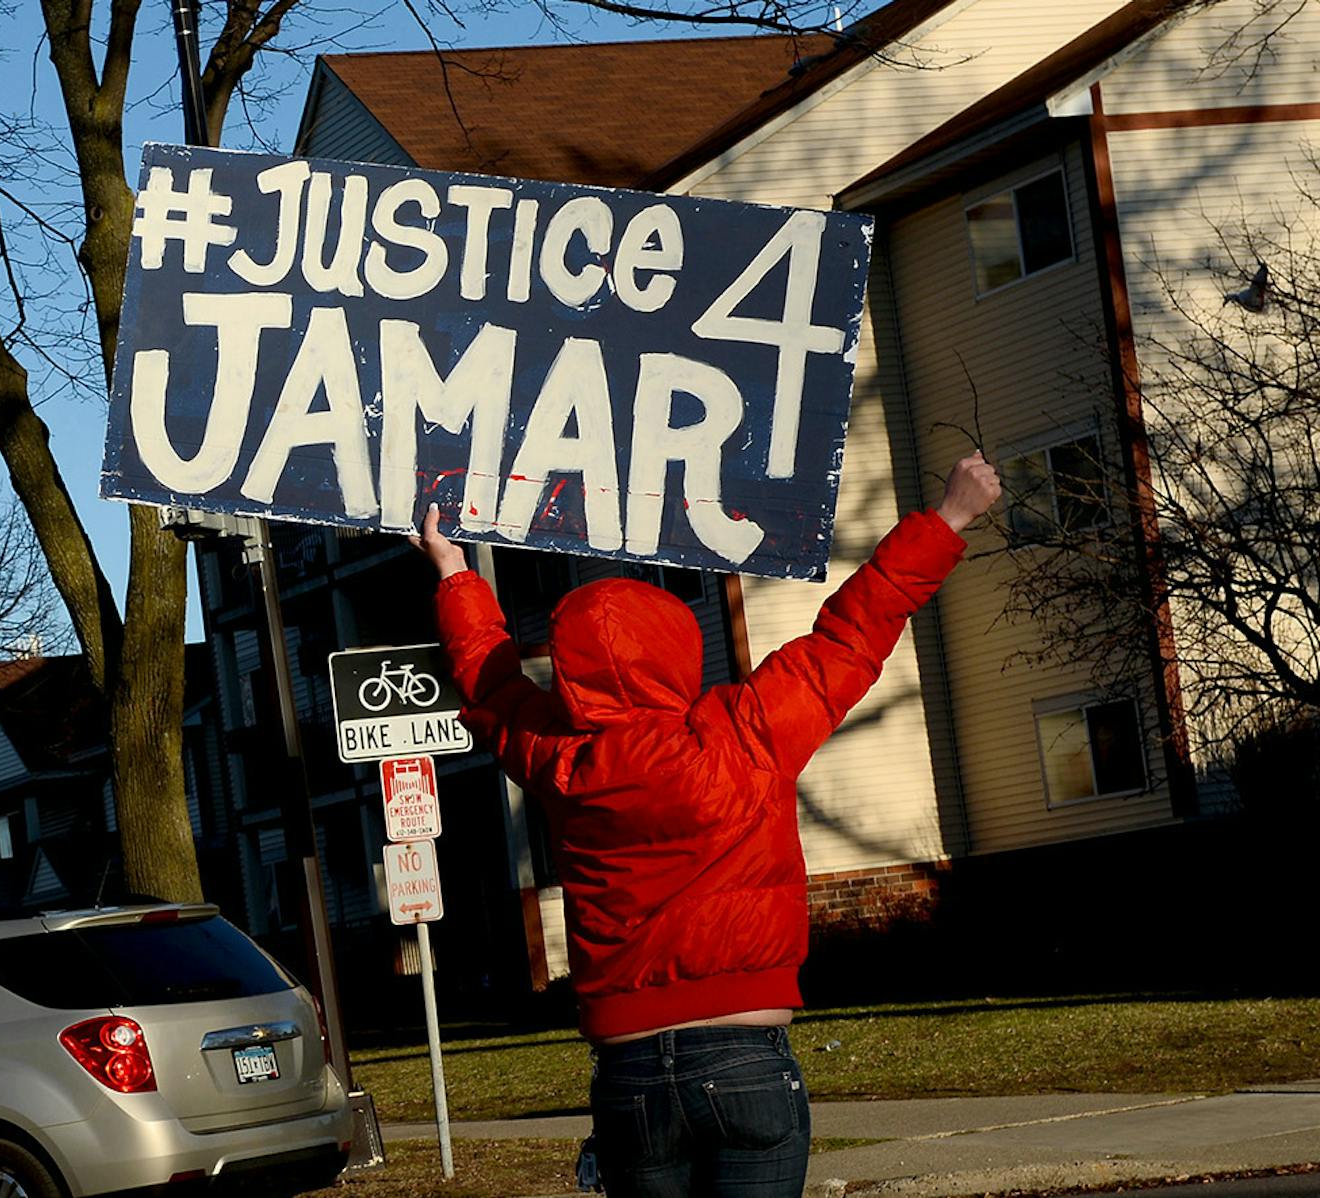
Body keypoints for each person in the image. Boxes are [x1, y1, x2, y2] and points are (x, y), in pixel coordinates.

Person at [410, 452, 1002, 1198]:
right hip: (745, 1056)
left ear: (570, 672)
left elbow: (491, 680)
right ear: (678, 651)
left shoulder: (559, 758)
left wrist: (454, 570)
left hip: (626, 1073)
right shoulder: (746, 733)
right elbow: (854, 632)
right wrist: (947, 517)